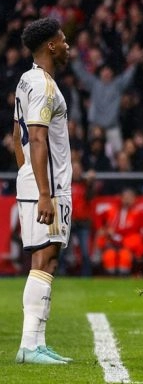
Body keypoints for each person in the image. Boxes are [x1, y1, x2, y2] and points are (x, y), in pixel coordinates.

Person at [13, 18, 73, 364]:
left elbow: (15, 136)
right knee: (43, 259)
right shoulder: (45, 86)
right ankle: (29, 346)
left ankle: (37, 342)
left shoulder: (26, 80)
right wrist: (45, 193)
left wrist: (26, 175)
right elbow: (36, 138)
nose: (67, 45)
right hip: (47, 187)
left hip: (34, 182)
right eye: (62, 40)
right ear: (50, 45)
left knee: (47, 259)